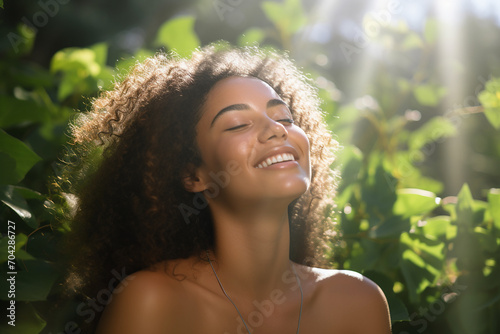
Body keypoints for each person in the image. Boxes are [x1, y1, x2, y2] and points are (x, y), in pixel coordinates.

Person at [58, 42, 391, 334]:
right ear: (194, 176)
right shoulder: (152, 302)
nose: (277, 130)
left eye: (285, 118)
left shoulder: (357, 300)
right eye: (238, 124)